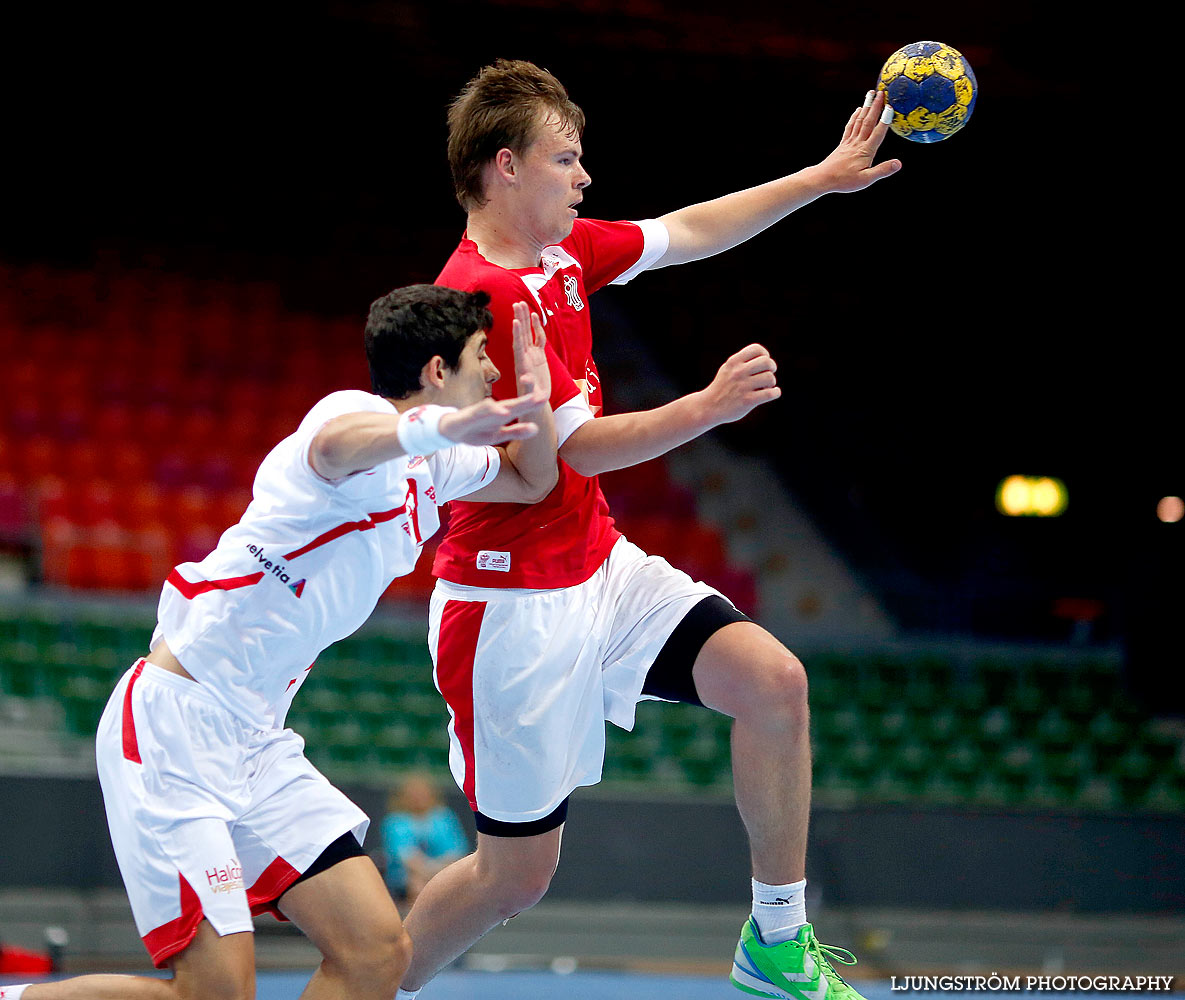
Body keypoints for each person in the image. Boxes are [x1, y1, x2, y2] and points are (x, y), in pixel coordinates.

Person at [394, 61, 902, 1000]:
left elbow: (688, 231)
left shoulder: (560, 255)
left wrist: (819, 177)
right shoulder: (475, 304)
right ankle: (366, 988)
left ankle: (776, 943)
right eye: (566, 159)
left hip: (599, 567)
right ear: (505, 167)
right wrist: (705, 408)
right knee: (514, 878)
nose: (584, 177)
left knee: (773, 683)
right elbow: (572, 450)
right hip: (508, 611)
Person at [3, 288, 556, 1000]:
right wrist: (439, 430)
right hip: (175, 723)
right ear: (436, 370)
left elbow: (533, 478)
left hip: (256, 743)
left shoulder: (437, 470)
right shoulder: (347, 417)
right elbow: (337, 449)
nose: (491, 375)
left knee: (376, 952)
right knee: (216, 994)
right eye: (482, 359)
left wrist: (539, 402)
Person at [379, 774, 469, 908]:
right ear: (403, 797)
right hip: (406, 878)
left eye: (422, 794)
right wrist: (428, 873)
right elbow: (406, 857)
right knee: (417, 884)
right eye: (413, 795)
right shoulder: (395, 822)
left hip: (443, 871)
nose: (418, 798)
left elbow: (455, 852)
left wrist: (437, 873)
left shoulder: (444, 818)